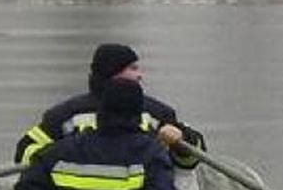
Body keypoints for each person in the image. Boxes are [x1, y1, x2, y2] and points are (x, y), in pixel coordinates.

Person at [15, 78, 181, 190]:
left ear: (100, 110)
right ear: (139, 113)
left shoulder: (63, 150)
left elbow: (28, 189)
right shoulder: (151, 153)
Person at [14, 42, 204, 167]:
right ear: (113, 72)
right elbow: (25, 150)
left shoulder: (158, 113)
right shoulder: (64, 116)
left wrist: (180, 141)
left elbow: (195, 156)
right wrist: (56, 156)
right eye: (132, 68)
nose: (140, 75)